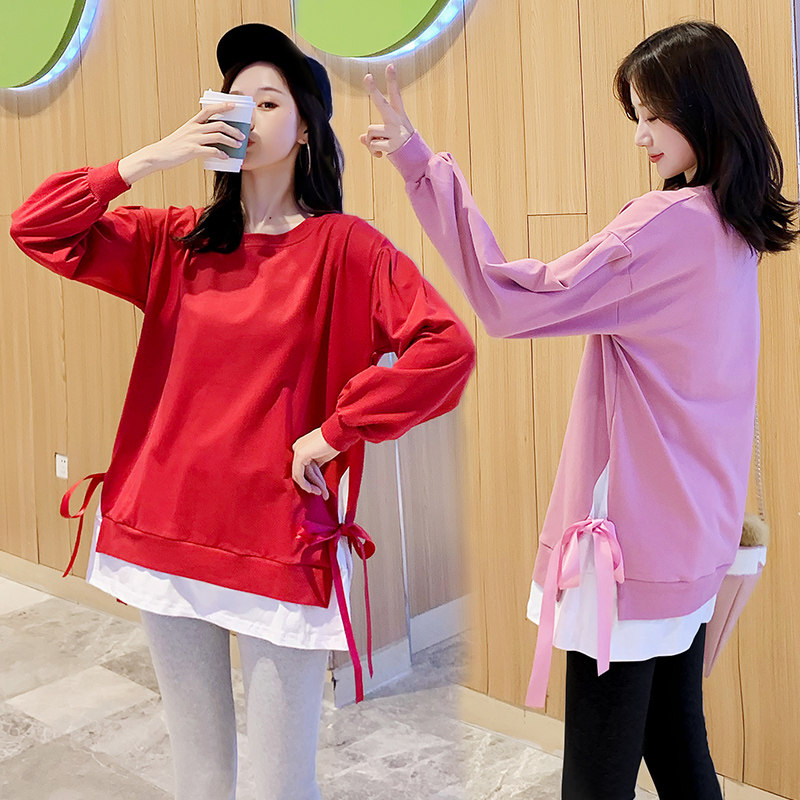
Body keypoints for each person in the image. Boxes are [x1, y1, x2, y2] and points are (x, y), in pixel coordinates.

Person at [10, 23, 475, 800]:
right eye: (234, 99)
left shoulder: (345, 247)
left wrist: (335, 433)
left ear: (305, 130)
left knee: (279, 787)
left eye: (268, 101)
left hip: (276, 543)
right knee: (200, 777)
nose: (246, 114)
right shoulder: (176, 240)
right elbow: (36, 227)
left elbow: (444, 347)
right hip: (164, 527)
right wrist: (148, 159)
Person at [360, 20, 796, 800]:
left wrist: (419, 164)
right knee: (676, 744)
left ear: (702, 109)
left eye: (653, 115)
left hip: (623, 550)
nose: (640, 136)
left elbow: (510, 302)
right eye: (637, 115)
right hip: (694, 536)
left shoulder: (664, 226)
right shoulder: (736, 228)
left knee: (598, 778)